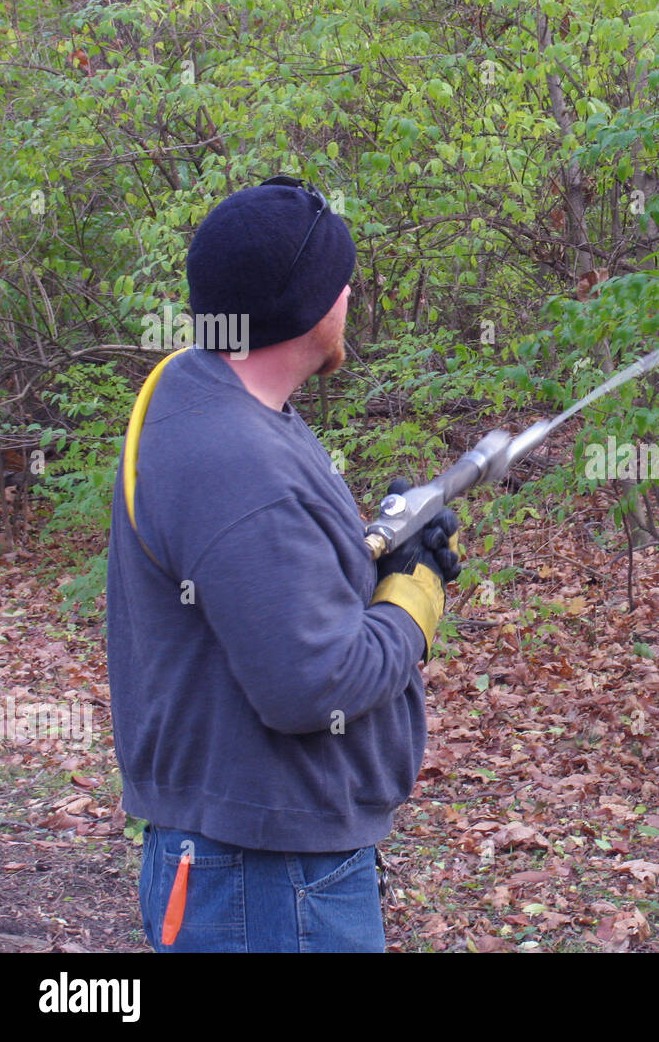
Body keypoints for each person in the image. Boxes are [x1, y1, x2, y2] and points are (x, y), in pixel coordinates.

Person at [106, 177, 459, 952]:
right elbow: (312, 683)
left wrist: (372, 555)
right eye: (342, 280)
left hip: (258, 863)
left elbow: (264, 577)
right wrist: (413, 604)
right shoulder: (236, 462)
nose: (351, 294)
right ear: (308, 306)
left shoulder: (199, 389)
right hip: (266, 883)